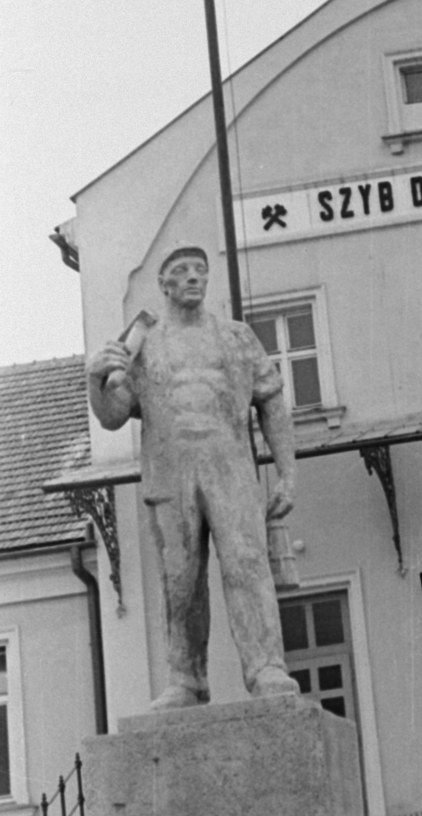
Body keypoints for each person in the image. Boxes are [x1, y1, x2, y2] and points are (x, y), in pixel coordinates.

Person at [88, 244, 300, 711]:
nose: (193, 278)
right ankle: (186, 678)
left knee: (247, 563)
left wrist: (286, 471)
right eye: (181, 271)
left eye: (200, 271)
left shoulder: (237, 337)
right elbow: (113, 415)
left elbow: (272, 402)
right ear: (163, 284)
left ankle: (266, 667)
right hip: (170, 472)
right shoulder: (142, 345)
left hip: (230, 467)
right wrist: (95, 381)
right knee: (180, 580)